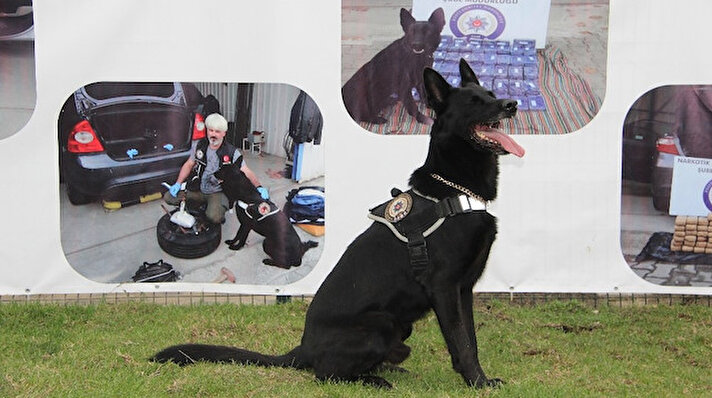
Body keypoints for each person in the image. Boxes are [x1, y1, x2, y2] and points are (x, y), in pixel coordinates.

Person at [164, 113, 268, 224]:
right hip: (199, 187)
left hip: (218, 192)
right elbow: (189, 163)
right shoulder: (200, 146)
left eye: (217, 132)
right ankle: (199, 205)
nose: (213, 134)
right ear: (207, 131)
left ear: (224, 133)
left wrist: (259, 187)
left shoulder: (232, 152)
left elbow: (246, 171)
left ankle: (215, 208)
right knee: (169, 197)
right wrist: (178, 183)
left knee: (214, 217)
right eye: (211, 130)